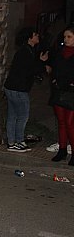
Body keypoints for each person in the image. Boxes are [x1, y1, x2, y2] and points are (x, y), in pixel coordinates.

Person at [4, 28, 48, 152]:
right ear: (29, 38)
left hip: (12, 87)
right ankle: (19, 141)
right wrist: (42, 64)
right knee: (22, 115)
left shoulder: (27, 50)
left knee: (12, 116)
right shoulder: (26, 52)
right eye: (35, 34)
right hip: (18, 89)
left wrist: (39, 62)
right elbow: (30, 69)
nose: (37, 35)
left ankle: (12, 142)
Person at [47, 24, 74, 164]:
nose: (66, 39)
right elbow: (54, 70)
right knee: (62, 122)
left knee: (70, 123)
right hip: (59, 91)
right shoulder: (60, 52)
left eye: (69, 37)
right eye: (65, 37)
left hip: (71, 93)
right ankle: (62, 150)